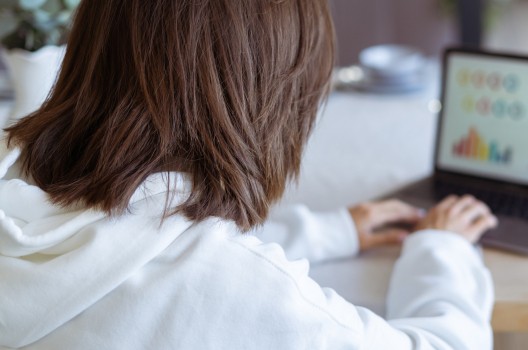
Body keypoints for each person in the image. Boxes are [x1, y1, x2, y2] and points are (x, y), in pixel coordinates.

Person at [0, 0, 498, 349]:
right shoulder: (237, 289)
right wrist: (442, 248)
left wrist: (331, 231)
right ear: (273, 106)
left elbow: (122, 239)